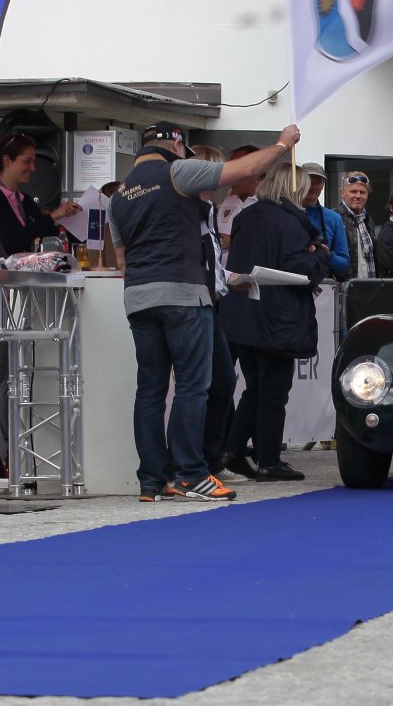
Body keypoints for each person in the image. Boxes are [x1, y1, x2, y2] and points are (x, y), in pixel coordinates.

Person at [110, 120, 299, 503]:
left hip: (139, 296)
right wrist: (283, 144)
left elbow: (121, 259)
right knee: (193, 385)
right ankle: (192, 474)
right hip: (182, 292)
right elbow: (244, 170)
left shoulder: (119, 195)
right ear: (176, 145)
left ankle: (152, 481)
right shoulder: (177, 172)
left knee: (151, 390)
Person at [220, 163, 331, 481]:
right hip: (277, 316)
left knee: (256, 387)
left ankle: (233, 451)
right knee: (273, 391)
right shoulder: (290, 222)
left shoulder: (246, 217)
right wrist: (320, 255)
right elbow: (300, 270)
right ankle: (267, 460)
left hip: (245, 311)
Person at [189, 144, 245, 487]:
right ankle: (196, 461)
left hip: (211, 301)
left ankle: (209, 457)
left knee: (221, 381)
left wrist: (228, 278)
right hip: (194, 303)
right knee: (206, 383)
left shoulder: (208, 209)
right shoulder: (190, 210)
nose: (223, 178)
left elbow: (210, 259)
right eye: (217, 171)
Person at [0, 132, 81, 257]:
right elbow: (12, 240)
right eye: (27, 161)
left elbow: (47, 232)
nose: (33, 168)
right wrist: (54, 215)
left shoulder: (25, 200)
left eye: (33, 162)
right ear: (7, 161)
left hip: (23, 267)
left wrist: (82, 225)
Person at [300, 161, 349, 281]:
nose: (313, 186)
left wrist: (328, 255)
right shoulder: (287, 214)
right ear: (299, 182)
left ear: (323, 185)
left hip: (323, 287)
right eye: (308, 181)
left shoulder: (334, 219)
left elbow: (344, 264)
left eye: (318, 182)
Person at [215, 144, 261, 257]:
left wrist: (234, 241)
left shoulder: (271, 205)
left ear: (256, 171)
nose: (231, 175)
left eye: (237, 168)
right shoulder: (228, 201)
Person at [334, 170, 376, 280]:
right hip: (345, 287)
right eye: (353, 191)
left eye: (362, 192)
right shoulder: (334, 218)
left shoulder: (368, 220)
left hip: (369, 286)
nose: (358, 196)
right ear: (342, 193)